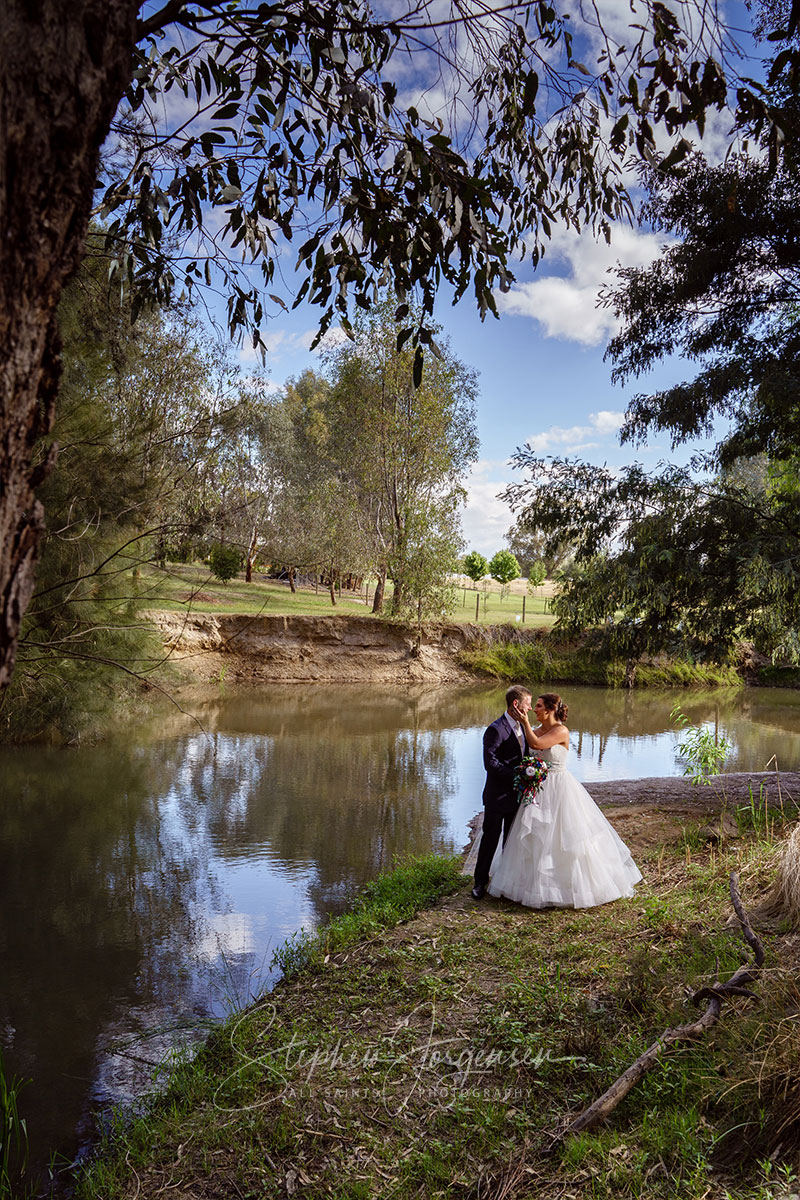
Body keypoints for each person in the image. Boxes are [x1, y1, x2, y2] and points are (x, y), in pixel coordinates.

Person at [487, 692, 642, 908]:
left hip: (560, 788)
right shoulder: (536, 729)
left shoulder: (561, 730)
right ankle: (527, 886)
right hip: (538, 789)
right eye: (534, 706)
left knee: (565, 838)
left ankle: (569, 888)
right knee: (535, 835)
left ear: (550, 710)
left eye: (539, 706)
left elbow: (538, 745)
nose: (534, 710)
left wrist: (524, 723)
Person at [471, 684, 532, 900]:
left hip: (517, 795)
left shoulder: (525, 726)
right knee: (490, 839)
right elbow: (490, 763)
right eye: (528, 704)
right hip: (497, 796)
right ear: (516, 704)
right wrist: (517, 774)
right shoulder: (495, 729)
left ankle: (505, 882)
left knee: (511, 840)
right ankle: (479, 882)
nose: (530, 709)